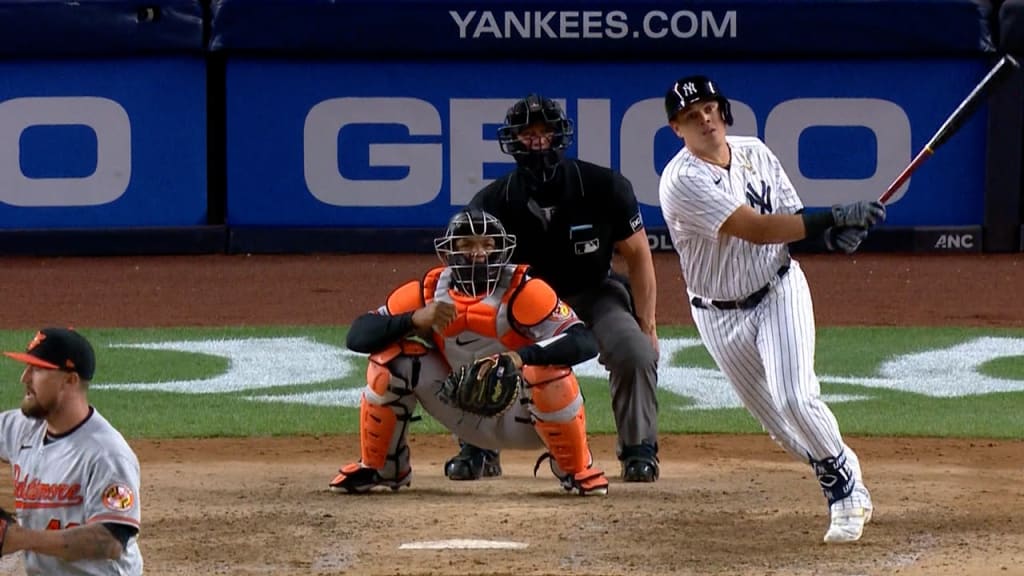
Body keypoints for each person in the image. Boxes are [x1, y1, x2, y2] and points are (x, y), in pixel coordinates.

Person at [658, 75, 886, 543]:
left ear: (722, 110)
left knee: (795, 397)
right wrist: (834, 216)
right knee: (783, 428)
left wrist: (830, 235)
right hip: (718, 315)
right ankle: (842, 464)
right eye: (691, 115)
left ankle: (842, 491)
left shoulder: (757, 152)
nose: (704, 119)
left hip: (778, 291)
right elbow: (758, 228)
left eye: (709, 108)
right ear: (676, 128)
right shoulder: (681, 181)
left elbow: (790, 220)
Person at [445, 94, 661, 484]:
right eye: (529, 135)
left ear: (561, 137)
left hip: (594, 294)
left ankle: (639, 449)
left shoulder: (604, 187)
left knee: (636, 351)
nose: (538, 142)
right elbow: (474, 276)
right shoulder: (491, 202)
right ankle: (477, 447)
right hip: (521, 304)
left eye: (545, 133)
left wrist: (648, 325)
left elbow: (639, 256)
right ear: (512, 141)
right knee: (475, 349)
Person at [329, 208, 609, 496]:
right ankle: (382, 468)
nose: (479, 253)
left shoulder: (525, 291)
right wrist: (413, 320)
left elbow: (583, 340)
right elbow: (358, 335)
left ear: (501, 250)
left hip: (523, 419)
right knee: (391, 361)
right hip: (458, 407)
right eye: (468, 244)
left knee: (549, 373)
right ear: (450, 251)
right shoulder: (429, 291)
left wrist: (520, 357)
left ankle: (576, 470)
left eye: (488, 244)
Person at [0, 327, 143, 573]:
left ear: (70, 380)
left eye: (38, 369)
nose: (25, 378)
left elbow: (109, 541)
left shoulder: (106, 454)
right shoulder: (21, 428)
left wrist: (17, 538)